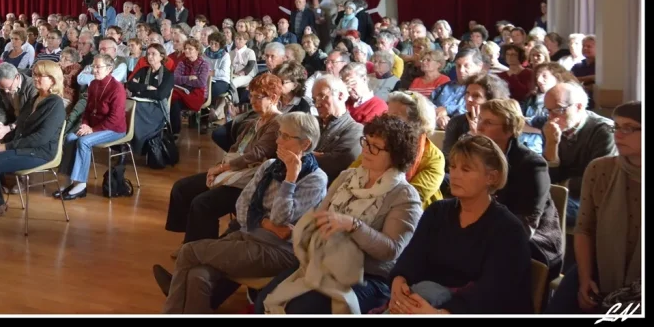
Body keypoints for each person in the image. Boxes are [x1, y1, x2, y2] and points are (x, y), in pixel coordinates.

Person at [156, 113, 328, 313]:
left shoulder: (315, 180)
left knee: (188, 251)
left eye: (286, 137)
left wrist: (290, 179)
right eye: (279, 134)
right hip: (250, 235)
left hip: (279, 251)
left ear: (305, 144)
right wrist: (266, 224)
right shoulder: (269, 166)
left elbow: (281, 218)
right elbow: (242, 206)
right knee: (198, 275)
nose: (278, 140)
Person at [257, 114, 423, 314]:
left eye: (376, 147)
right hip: (324, 262)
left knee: (299, 308)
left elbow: (391, 251)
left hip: (367, 276)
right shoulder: (347, 177)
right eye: (366, 142)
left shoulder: (404, 195)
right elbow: (321, 215)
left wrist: (354, 226)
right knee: (265, 299)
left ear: (396, 155)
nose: (366, 150)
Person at [387, 135, 533, 315]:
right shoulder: (437, 212)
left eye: (466, 169)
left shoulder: (508, 230)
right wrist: (399, 282)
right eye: (453, 167)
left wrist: (441, 313)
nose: (455, 175)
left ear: (492, 177)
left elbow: (493, 293)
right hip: (424, 301)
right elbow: (412, 257)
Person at [165, 74, 284, 246]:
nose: (251, 101)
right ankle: (192, 240)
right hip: (234, 171)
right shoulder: (256, 120)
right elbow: (235, 148)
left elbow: (256, 154)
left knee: (202, 203)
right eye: (251, 95)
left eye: (257, 97)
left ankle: (200, 249)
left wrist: (221, 169)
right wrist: (220, 167)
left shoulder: (278, 122)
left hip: (250, 181)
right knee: (182, 188)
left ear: (273, 98)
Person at [548, 102, 641, 314]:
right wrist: (585, 277)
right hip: (600, 263)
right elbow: (585, 229)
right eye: (616, 127)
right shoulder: (600, 169)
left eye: (628, 128)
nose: (619, 134)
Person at [475, 98, 563, 276]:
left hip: (535, 243)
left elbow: (525, 226)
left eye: (489, 122)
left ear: (509, 129)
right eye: (480, 120)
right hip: (491, 232)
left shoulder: (532, 165)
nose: (480, 127)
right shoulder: (479, 157)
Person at [539, 83, 616, 229]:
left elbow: (598, 181)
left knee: (543, 210)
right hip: (561, 193)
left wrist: (562, 185)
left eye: (558, 110)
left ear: (579, 107)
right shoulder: (549, 128)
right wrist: (552, 144)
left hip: (591, 200)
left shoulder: (604, 131)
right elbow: (550, 177)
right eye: (548, 110)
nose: (551, 117)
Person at [55, 54, 127, 201]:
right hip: (93, 127)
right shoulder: (94, 84)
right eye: (93, 66)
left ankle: (81, 185)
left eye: (98, 67)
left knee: (84, 142)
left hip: (114, 129)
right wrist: (85, 124)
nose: (94, 70)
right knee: (70, 137)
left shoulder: (117, 88)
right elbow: (88, 110)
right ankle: (68, 181)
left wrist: (92, 130)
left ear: (109, 69)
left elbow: (115, 119)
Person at [0, 60, 66, 175]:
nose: (35, 78)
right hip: (25, 148)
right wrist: (1, 141)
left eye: (40, 76)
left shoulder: (55, 103)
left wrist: (7, 146)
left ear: (52, 80)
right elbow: (21, 125)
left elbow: (41, 138)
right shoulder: (35, 99)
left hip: (40, 152)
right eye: (35, 74)